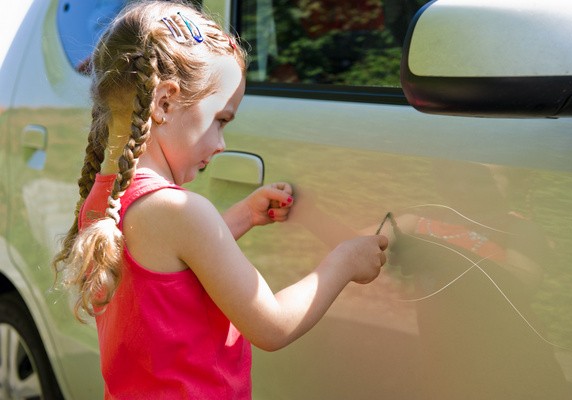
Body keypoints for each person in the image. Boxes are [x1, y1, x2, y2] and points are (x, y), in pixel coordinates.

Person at [52, 1, 388, 399]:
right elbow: (273, 326)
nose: (222, 143)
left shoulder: (106, 196)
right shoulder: (179, 211)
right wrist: (345, 260)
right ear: (163, 103)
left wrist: (244, 215)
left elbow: (169, 271)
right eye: (221, 120)